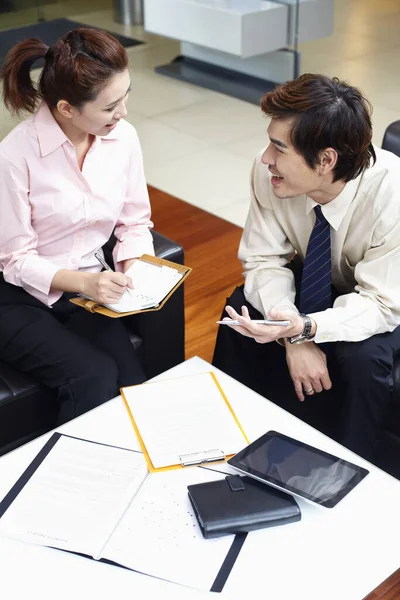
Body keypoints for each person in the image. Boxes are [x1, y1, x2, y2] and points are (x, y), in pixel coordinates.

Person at [212, 73, 400, 463]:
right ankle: (226, 441)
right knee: (241, 312)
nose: (266, 158)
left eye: (279, 149)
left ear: (326, 159)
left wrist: (308, 328)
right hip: (326, 280)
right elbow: (264, 259)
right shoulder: (269, 174)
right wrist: (293, 333)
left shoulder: (392, 195)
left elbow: (382, 304)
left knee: (363, 361)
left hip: (388, 292)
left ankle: (350, 471)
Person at [0, 28, 154, 424]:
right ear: (67, 108)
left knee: (134, 389)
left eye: (126, 97)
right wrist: (86, 283)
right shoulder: (16, 155)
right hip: (17, 297)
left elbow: (135, 221)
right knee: (93, 376)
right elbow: (15, 260)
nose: (123, 114)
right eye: (109, 107)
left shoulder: (124, 138)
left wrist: (136, 266)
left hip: (86, 291)